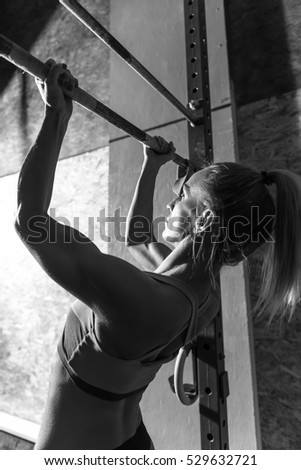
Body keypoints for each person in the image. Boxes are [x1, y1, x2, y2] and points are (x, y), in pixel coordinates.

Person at [15, 60, 301, 450]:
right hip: (127, 441)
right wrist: (150, 168)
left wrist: (57, 116)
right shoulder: (202, 297)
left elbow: (29, 221)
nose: (172, 199)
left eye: (182, 194)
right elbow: (137, 238)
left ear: (203, 220)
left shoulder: (144, 299)